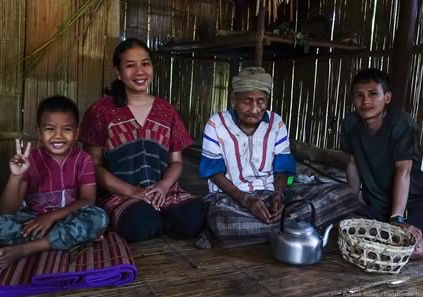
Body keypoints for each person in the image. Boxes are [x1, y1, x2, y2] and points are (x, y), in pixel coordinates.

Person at [198, 67, 360, 248]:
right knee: (220, 221)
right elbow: (213, 172)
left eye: (261, 102)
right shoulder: (217, 123)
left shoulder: (276, 122)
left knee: (345, 195)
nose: (254, 109)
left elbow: (283, 168)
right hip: (230, 200)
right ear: (234, 100)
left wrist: (279, 195)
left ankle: (273, 227)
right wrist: (246, 200)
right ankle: (295, 227)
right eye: (247, 101)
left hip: (269, 195)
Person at [79, 38, 205, 243]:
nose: (139, 71)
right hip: (121, 194)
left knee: (195, 217)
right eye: (130, 65)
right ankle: (154, 219)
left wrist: (164, 186)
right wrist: (133, 191)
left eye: (145, 63)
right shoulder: (101, 111)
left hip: (164, 191)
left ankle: (159, 214)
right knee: (139, 224)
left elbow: (176, 162)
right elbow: (93, 166)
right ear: (118, 72)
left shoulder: (167, 111)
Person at [0, 96, 108, 268]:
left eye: (66, 129)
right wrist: (16, 176)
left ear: (77, 133)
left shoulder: (83, 159)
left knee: (99, 217)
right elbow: (7, 210)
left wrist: (50, 217)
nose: (58, 136)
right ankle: (72, 238)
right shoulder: (30, 160)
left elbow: (88, 200)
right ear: (39, 131)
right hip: (32, 221)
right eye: (50, 129)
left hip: (67, 218)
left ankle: (29, 248)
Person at [341, 68, 423, 257]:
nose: (366, 101)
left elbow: (404, 171)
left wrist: (397, 218)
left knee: (410, 250)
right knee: (345, 231)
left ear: (387, 97)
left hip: (413, 203)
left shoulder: (401, 124)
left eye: (373, 94)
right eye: (359, 95)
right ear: (353, 100)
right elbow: (353, 164)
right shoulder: (350, 123)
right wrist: (350, 202)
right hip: (377, 207)